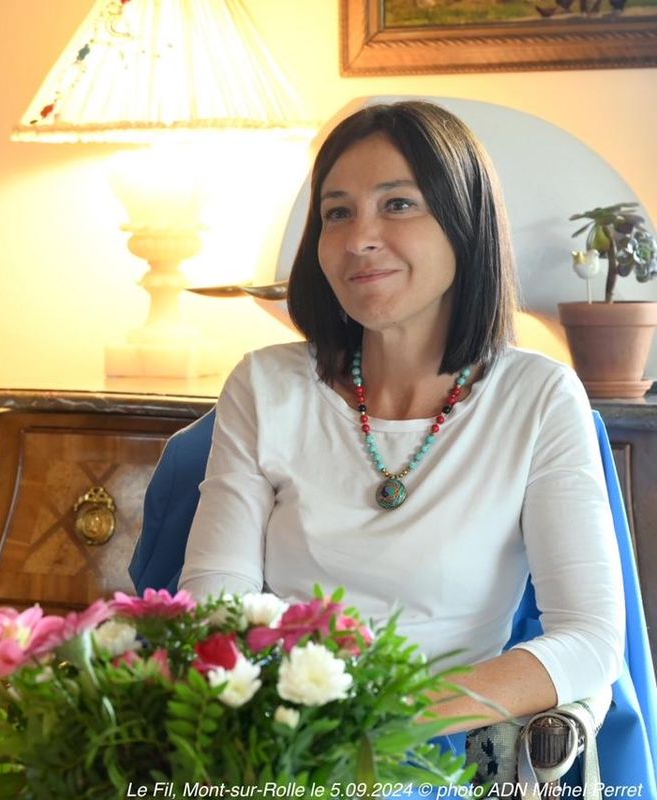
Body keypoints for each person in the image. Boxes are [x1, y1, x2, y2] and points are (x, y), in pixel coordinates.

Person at [179, 101, 625, 735]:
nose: (359, 237)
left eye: (398, 204)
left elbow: (589, 640)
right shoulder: (264, 383)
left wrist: (379, 721)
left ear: (463, 224)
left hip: (436, 750)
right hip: (275, 740)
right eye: (337, 212)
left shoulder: (540, 397)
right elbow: (212, 600)